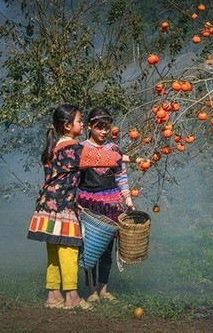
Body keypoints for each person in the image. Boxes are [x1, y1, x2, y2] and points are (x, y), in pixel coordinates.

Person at [27, 104, 137, 310]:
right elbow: (101, 158)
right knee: (68, 249)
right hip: (62, 205)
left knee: (54, 252)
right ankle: (72, 297)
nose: (80, 123)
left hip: (45, 205)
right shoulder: (74, 149)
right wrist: (134, 159)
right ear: (68, 125)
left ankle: (53, 296)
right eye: (79, 120)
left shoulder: (54, 146)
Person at [78, 107, 135, 303]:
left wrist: (128, 200)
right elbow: (75, 179)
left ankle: (104, 288)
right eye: (99, 127)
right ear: (89, 127)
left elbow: (121, 176)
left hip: (111, 204)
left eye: (106, 128)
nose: (103, 131)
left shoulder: (114, 149)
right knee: (90, 247)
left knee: (107, 249)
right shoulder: (81, 149)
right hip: (88, 204)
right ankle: (91, 290)